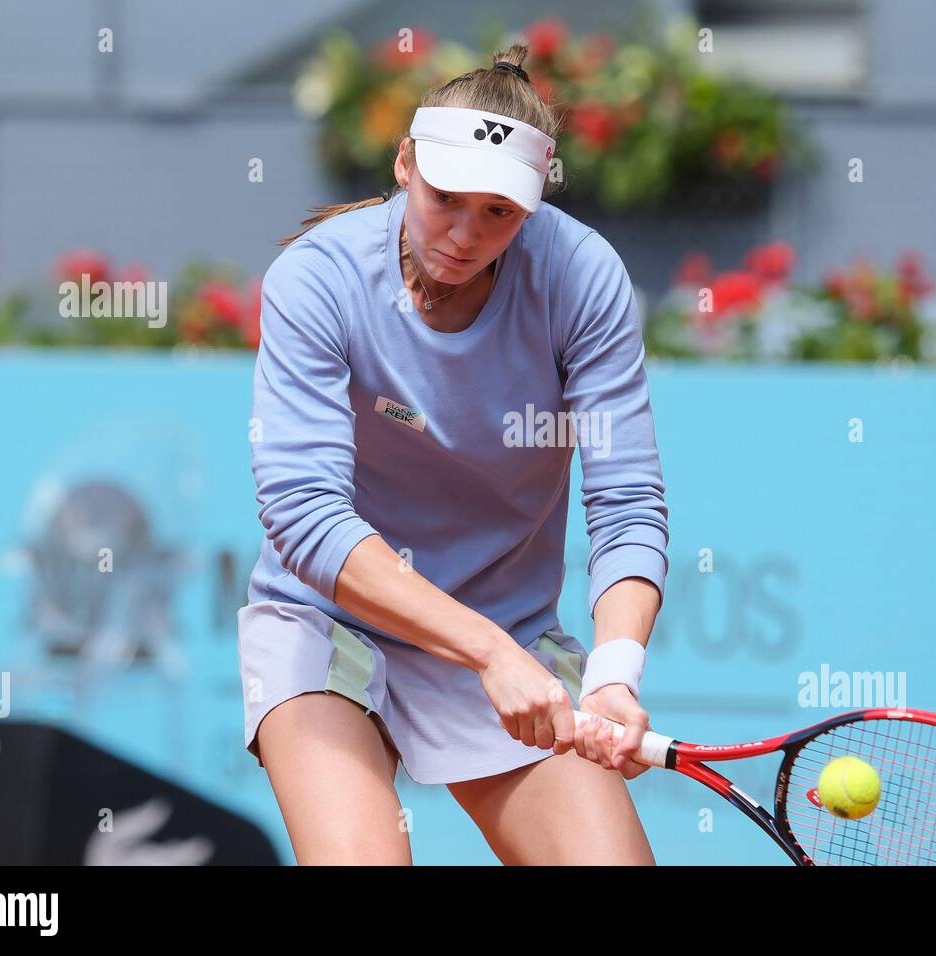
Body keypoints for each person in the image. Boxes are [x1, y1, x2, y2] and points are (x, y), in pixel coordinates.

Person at [238, 42, 669, 865]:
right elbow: (304, 515)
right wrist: (488, 651)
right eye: (445, 199)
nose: (465, 235)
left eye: (499, 212)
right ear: (404, 164)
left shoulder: (583, 278)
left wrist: (614, 672)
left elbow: (627, 505)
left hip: (506, 633)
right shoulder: (317, 277)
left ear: (534, 204)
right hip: (330, 623)